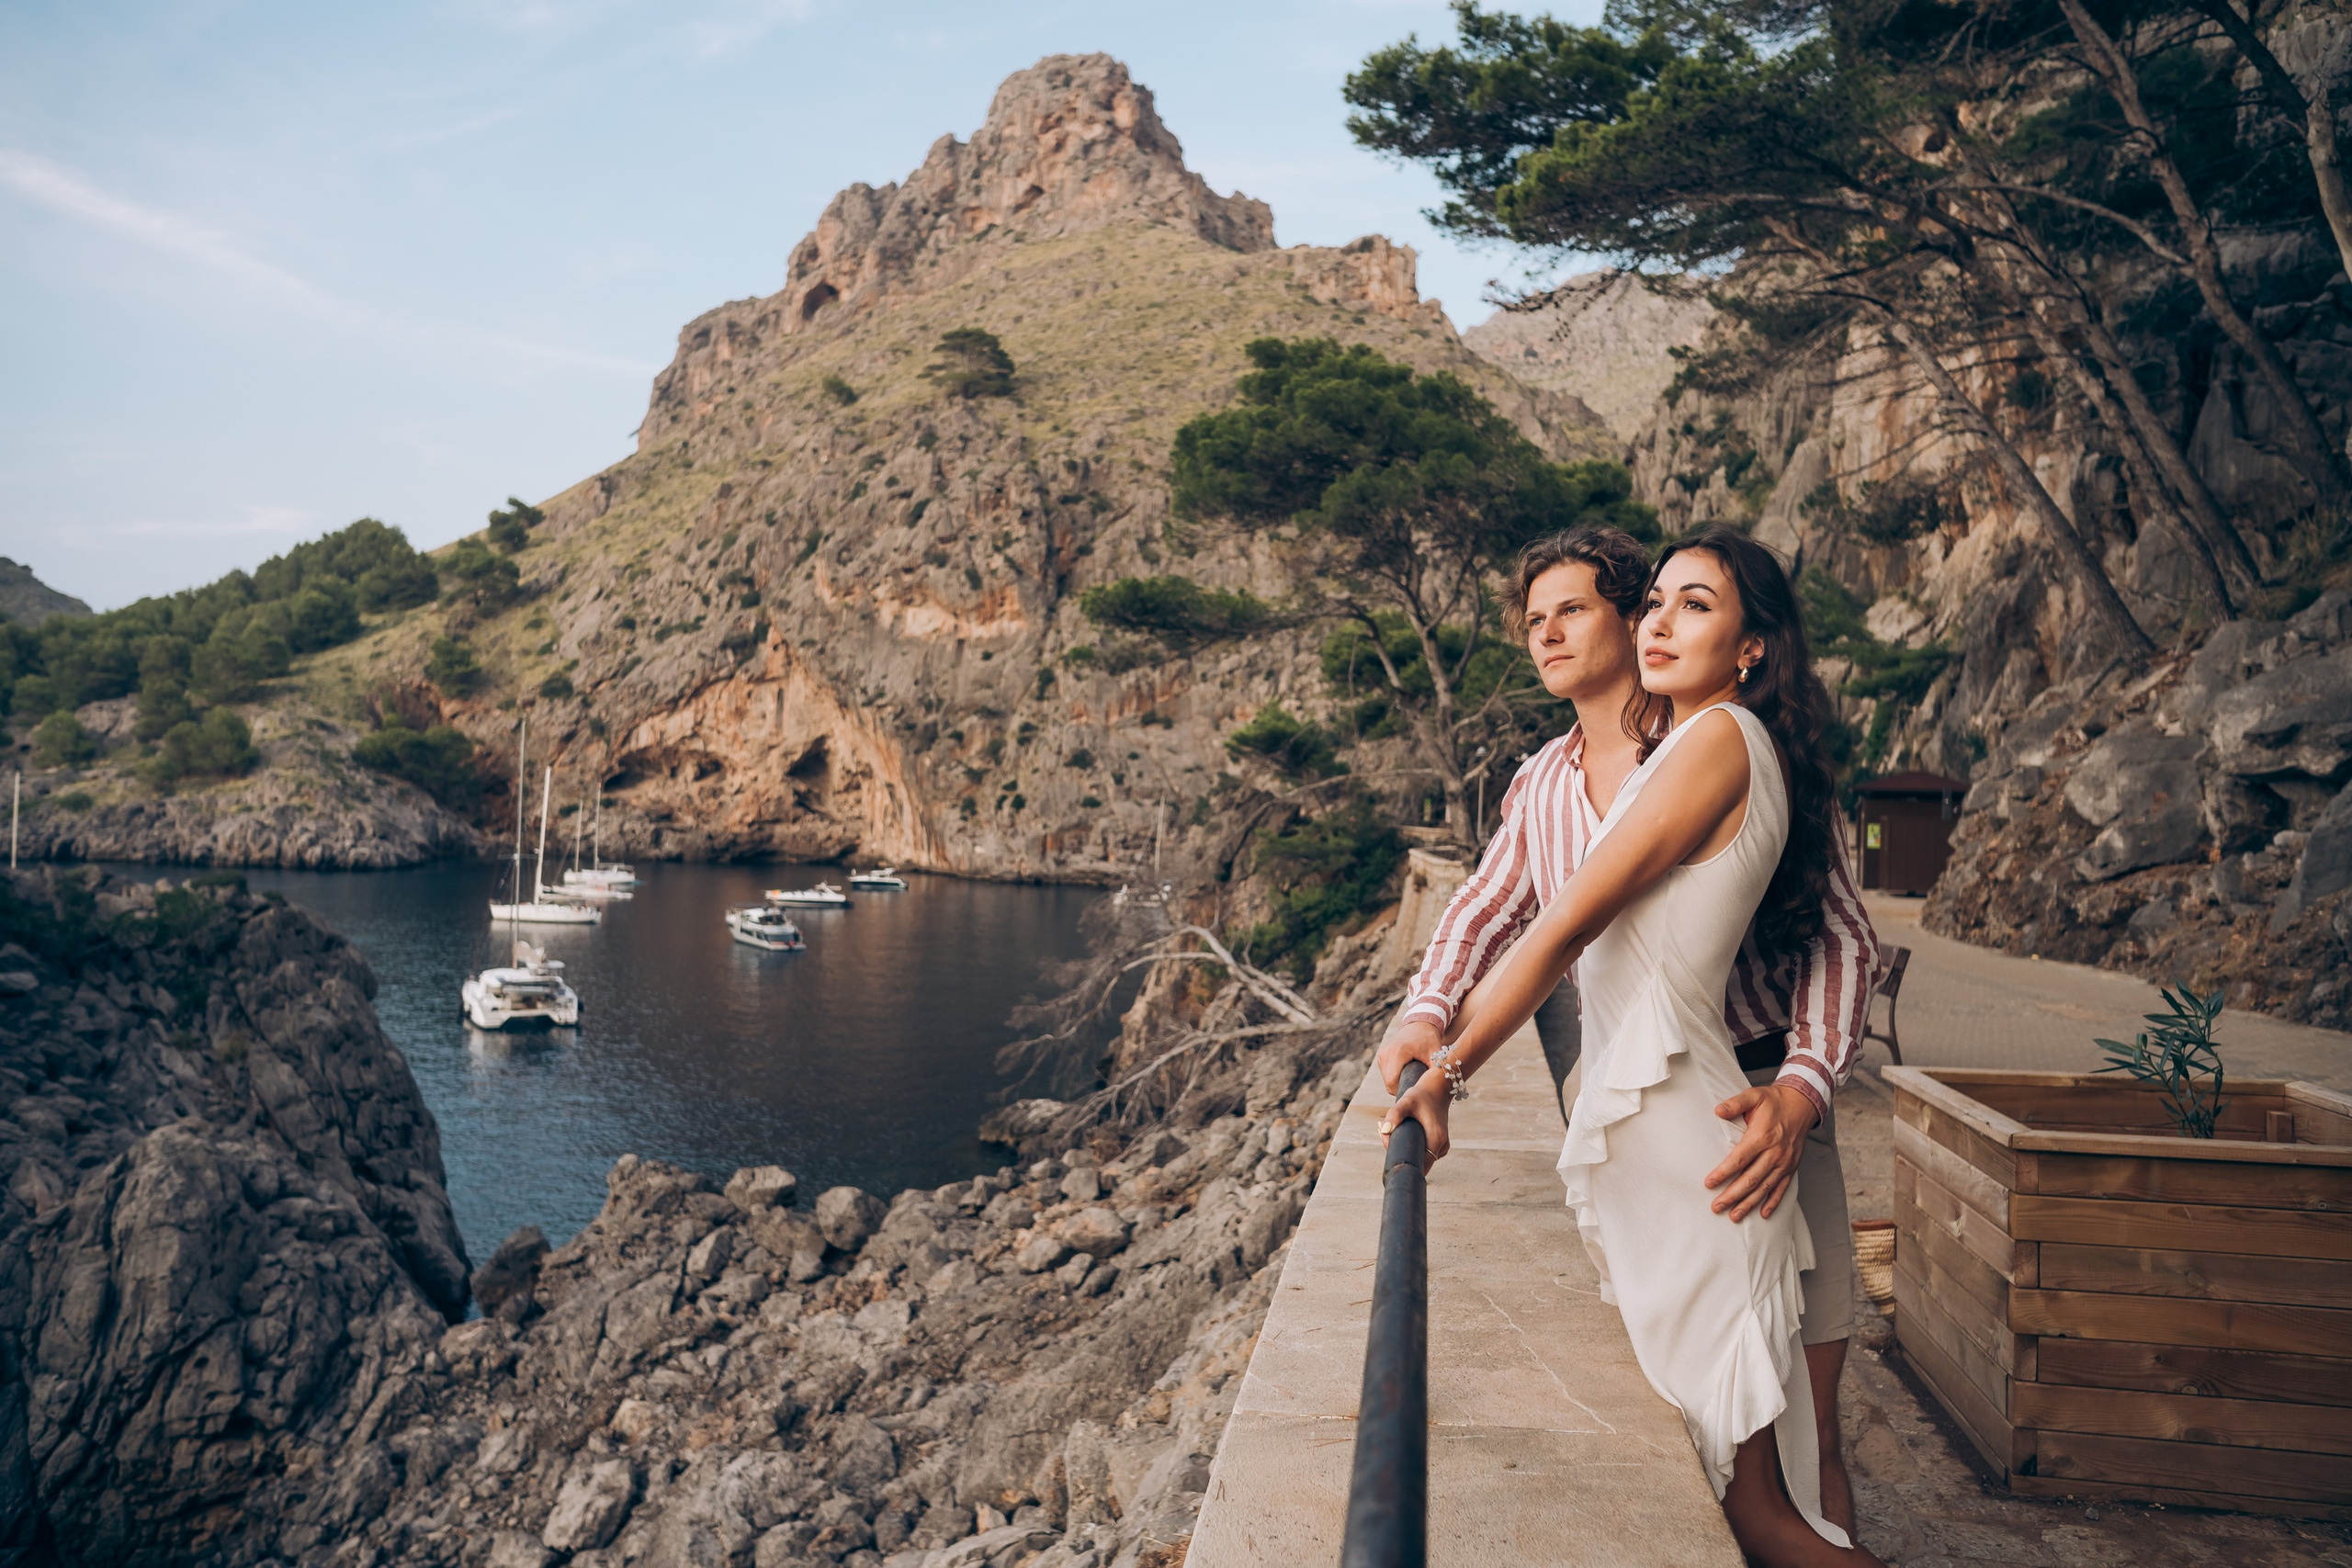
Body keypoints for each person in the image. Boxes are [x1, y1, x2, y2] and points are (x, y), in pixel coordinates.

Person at [1380, 525, 1882, 1566]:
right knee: (1736, 1479)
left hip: (1757, 1104)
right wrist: (1428, 1014)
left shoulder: (1719, 740)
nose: (1551, 634)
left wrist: (1801, 1089)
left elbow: (1840, 937)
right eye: (1532, 620)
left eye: (1578, 608)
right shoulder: (1546, 783)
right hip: (1662, 1135)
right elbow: (1482, 912)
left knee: (1799, 1450)